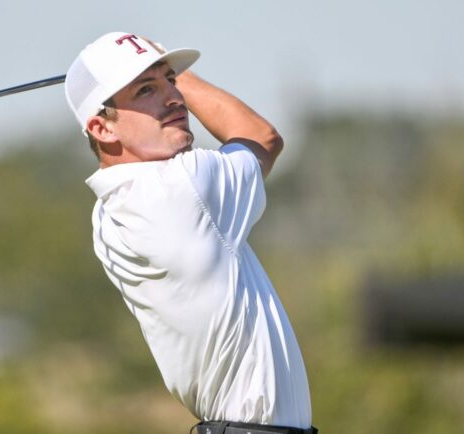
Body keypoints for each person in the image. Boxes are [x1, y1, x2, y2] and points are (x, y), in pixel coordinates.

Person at [64, 32, 317, 434]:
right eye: (147, 89)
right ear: (102, 128)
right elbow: (261, 137)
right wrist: (173, 65)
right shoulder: (184, 187)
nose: (174, 98)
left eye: (171, 81)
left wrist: (157, 71)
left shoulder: (107, 214)